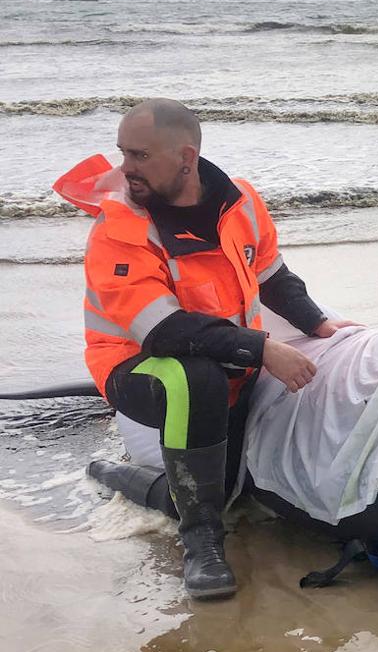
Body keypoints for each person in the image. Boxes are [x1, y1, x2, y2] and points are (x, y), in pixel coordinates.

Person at [54, 98, 357, 599]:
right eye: (122, 153)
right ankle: (201, 543)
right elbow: (163, 331)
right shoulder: (120, 228)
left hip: (227, 360)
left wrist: (319, 323)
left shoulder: (239, 203)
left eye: (140, 156)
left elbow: (272, 276)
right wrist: (262, 350)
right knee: (194, 379)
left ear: (186, 157)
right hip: (138, 366)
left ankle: (141, 484)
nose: (124, 169)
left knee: (227, 490)